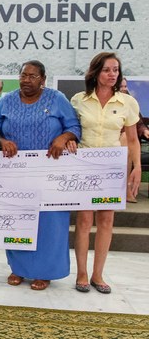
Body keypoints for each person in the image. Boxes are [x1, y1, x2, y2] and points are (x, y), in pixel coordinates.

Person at [0, 61, 81, 291]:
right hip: (16, 174)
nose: (26, 80)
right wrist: (2, 141)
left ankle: (45, 272)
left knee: (50, 224)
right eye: (23, 75)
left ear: (42, 79)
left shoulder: (56, 99)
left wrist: (63, 138)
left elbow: (74, 126)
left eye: (32, 76)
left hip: (50, 173)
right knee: (17, 220)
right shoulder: (7, 100)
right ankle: (19, 269)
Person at [70, 52, 141, 293]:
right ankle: (81, 272)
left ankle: (98, 275)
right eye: (107, 70)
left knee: (107, 220)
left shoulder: (127, 103)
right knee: (84, 219)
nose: (112, 75)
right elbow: (71, 131)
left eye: (116, 70)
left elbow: (132, 140)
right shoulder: (78, 100)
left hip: (112, 168)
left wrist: (137, 168)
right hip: (84, 165)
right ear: (95, 72)